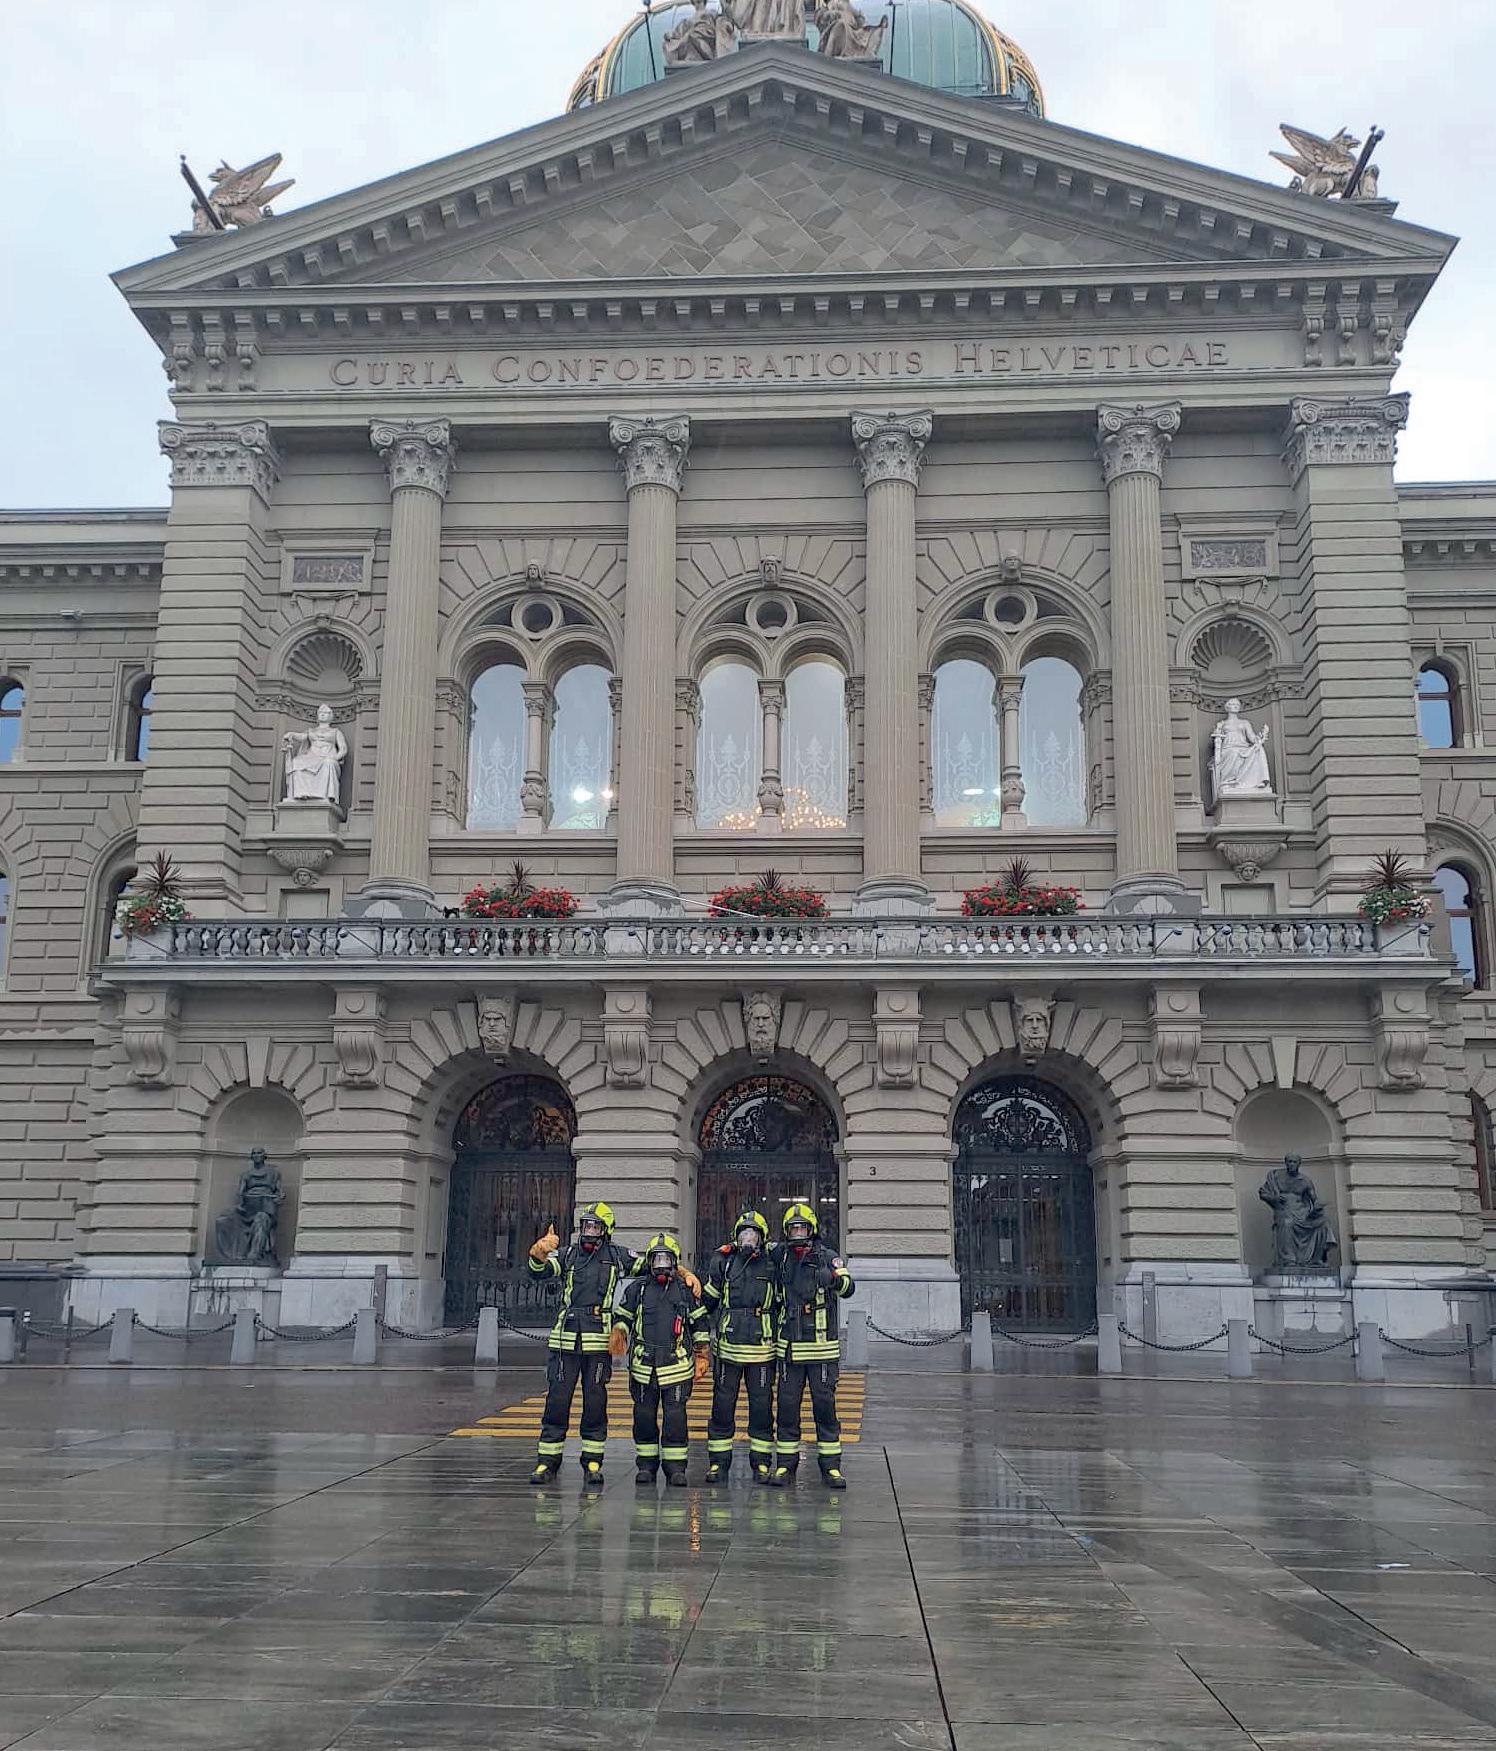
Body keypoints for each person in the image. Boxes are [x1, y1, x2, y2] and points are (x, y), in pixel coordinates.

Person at [526, 1202, 636, 1487]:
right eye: (586, 1226)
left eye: (595, 1227)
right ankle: (547, 1462)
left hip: (599, 1345)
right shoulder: (569, 1255)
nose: (589, 1231)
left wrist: (680, 1270)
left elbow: (651, 1264)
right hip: (565, 1342)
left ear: (606, 1230)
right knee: (557, 1402)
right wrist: (537, 1254)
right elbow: (541, 1272)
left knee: (595, 1402)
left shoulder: (617, 1256)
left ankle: (593, 1461)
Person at [611, 1233, 710, 1488]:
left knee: (675, 1420)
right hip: (644, 1369)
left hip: (676, 1368)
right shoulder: (638, 1289)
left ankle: (676, 1469)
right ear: (650, 1261)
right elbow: (624, 1315)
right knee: (643, 1417)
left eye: (667, 1259)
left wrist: (701, 1354)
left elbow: (699, 1323)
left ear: (674, 1261)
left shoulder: (685, 1291)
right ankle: (646, 1466)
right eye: (657, 1259)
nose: (661, 1264)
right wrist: (620, 1330)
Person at [770, 1203, 854, 1490]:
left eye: (802, 1228)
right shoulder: (780, 1257)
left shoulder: (828, 1257)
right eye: (793, 1228)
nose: (798, 1233)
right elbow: (754, 1254)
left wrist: (831, 1277)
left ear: (812, 1230)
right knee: (787, 1408)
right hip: (790, 1351)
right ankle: (785, 1465)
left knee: (824, 1408)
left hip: (821, 1352)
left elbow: (848, 1287)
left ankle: (831, 1468)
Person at [701, 1208, 779, 1484]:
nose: (749, 1239)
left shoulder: (773, 1264)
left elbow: (783, 1302)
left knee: (761, 1408)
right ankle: (718, 1464)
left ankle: (760, 1463)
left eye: (753, 1234)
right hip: (728, 1349)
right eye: (744, 1234)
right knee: (722, 1406)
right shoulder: (724, 1262)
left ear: (763, 1238)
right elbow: (708, 1299)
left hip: (762, 1350)